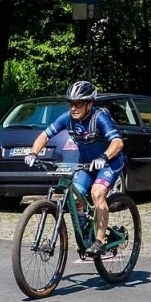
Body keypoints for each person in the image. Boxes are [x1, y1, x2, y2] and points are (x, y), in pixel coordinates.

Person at [25, 80, 124, 256]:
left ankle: (100, 242)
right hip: (86, 164)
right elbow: (44, 135)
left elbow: (117, 142)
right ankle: (85, 227)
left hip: (109, 161)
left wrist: (104, 157)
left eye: (78, 104)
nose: (73, 108)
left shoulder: (99, 118)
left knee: (97, 193)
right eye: (70, 104)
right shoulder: (67, 119)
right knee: (74, 194)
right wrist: (33, 153)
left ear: (89, 104)